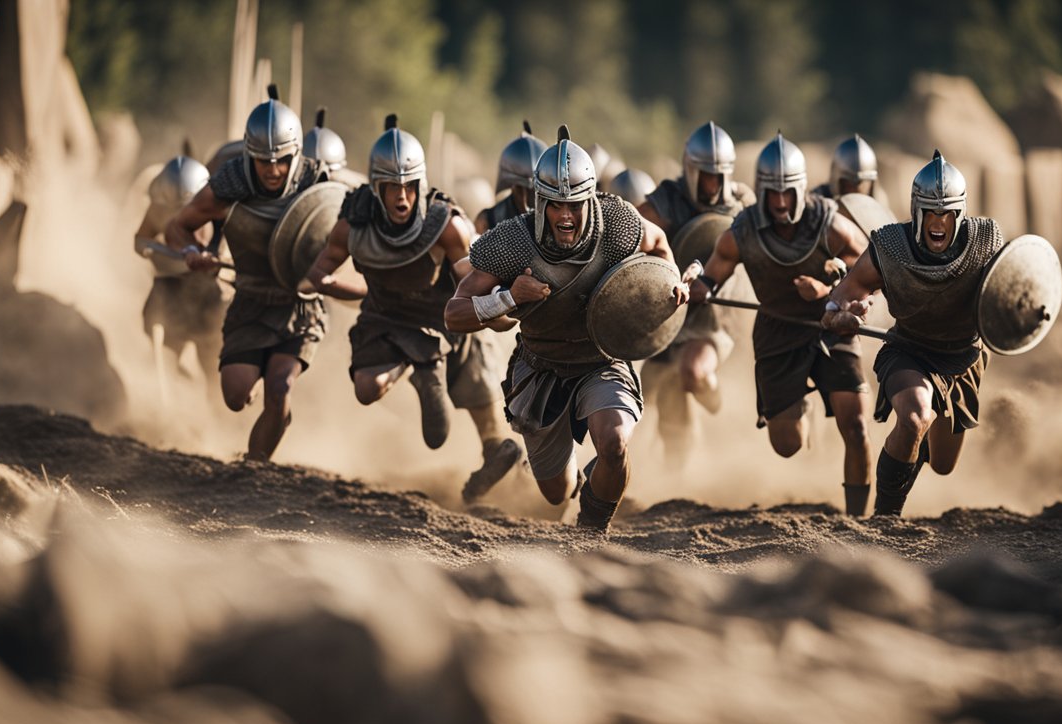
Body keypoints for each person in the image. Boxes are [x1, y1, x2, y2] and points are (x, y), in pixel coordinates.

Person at [446, 126, 687, 531]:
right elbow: (454, 313)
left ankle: (592, 528)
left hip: (601, 360)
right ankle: (573, 482)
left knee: (613, 444)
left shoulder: (618, 222)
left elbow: (659, 243)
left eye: (575, 204)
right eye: (556, 205)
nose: (565, 216)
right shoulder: (511, 241)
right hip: (541, 368)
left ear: (590, 199)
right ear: (540, 201)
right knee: (556, 491)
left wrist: (670, 281)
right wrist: (509, 298)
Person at [304, 115, 522, 503]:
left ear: (419, 185)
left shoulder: (447, 226)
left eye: (408, 186)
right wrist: (330, 286)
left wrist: (501, 309)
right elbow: (318, 272)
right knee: (366, 389)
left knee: (479, 387)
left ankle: (494, 455)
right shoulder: (353, 225)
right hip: (383, 318)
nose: (401, 197)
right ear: (376, 188)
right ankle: (416, 364)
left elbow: (475, 280)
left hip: (445, 317)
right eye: (391, 188)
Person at [167, 85, 366, 462]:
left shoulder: (319, 183)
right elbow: (179, 226)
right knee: (235, 396)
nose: (273, 170)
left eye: (281, 160)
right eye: (263, 161)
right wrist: (193, 251)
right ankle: (261, 399)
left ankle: (255, 467)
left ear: (295, 154)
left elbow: (356, 235)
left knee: (279, 388)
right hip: (249, 302)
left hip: (300, 308)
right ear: (250, 156)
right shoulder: (229, 185)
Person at [696, 132, 873, 515]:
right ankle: (800, 406)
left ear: (800, 189)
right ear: (761, 191)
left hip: (832, 325)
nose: (779, 202)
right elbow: (710, 278)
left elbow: (868, 268)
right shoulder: (742, 232)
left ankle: (863, 520)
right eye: (772, 193)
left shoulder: (829, 223)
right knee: (787, 444)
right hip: (778, 332)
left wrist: (829, 288)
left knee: (856, 427)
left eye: (786, 193)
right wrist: (692, 290)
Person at [822, 150, 1006, 516]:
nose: (938, 222)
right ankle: (885, 519)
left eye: (946, 213)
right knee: (915, 416)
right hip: (909, 350)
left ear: (959, 213)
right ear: (917, 211)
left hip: (964, 357)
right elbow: (836, 304)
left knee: (942, 463)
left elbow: (1009, 295)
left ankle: (912, 446)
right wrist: (843, 316)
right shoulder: (889, 248)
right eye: (931, 213)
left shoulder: (986, 241)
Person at [639, 122, 755, 455]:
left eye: (718, 175)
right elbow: (635, 226)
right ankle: (676, 481)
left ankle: (723, 416)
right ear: (690, 170)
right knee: (660, 397)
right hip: (671, 312)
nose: (712, 184)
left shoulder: (742, 203)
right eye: (705, 174)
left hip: (718, 316)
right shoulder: (669, 199)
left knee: (691, 371)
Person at [133, 150, 226, 386]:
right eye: (172, 211)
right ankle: (172, 414)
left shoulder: (218, 213)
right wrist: (165, 254)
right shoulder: (158, 209)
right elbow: (141, 241)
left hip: (209, 300)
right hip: (169, 293)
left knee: (215, 372)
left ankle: (222, 419)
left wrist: (214, 258)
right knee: (164, 366)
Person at [474, 122, 547, 234]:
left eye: (533, 190)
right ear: (513, 185)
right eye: (521, 188)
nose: (528, 194)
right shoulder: (487, 220)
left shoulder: (554, 215)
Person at [812, 134, 878, 199]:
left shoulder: (879, 205)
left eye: (861, 183)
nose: (855, 190)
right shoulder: (818, 202)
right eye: (849, 184)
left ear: (871, 184)